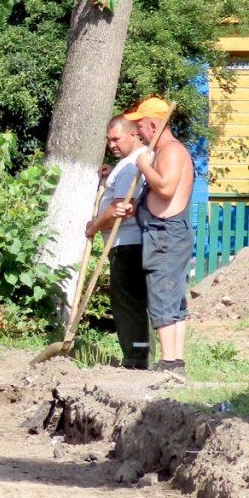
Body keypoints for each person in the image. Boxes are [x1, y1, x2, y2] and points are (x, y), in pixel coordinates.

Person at [116, 96, 194, 379]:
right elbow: (155, 194)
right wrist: (135, 207)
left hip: (166, 235)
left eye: (140, 127)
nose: (138, 133)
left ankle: (171, 362)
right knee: (172, 297)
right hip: (161, 233)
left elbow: (166, 187)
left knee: (163, 296)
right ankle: (174, 361)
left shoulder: (171, 151)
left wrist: (143, 164)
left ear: (152, 124)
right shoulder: (163, 152)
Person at [85, 115, 149, 369]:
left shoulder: (133, 164)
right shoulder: (128, 163)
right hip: (127, 243)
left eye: (116, 138)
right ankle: (139, 355)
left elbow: (119, 208)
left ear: (134, 134)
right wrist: (111, 174)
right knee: (131, 302)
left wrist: (94, 227)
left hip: (126, 243)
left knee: (127, 304)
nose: (111, 144)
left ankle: (136, 359)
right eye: (108, 140)